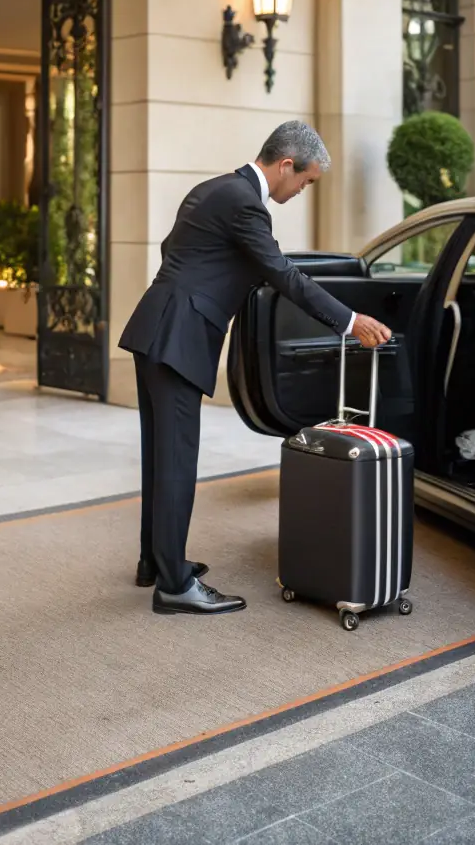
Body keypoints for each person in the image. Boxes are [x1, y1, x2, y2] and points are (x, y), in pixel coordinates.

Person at [119, 120, 392, 616]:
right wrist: (350, 320)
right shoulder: (245, 202)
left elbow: (177, 254)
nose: (303, 190)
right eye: (305, 181)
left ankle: (155, 564)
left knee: (160, 456)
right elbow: (283, 275)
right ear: (286, 165)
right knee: (177, 462)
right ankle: (175, 586)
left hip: (154, 328)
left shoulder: (214, 189)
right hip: (179, 337)